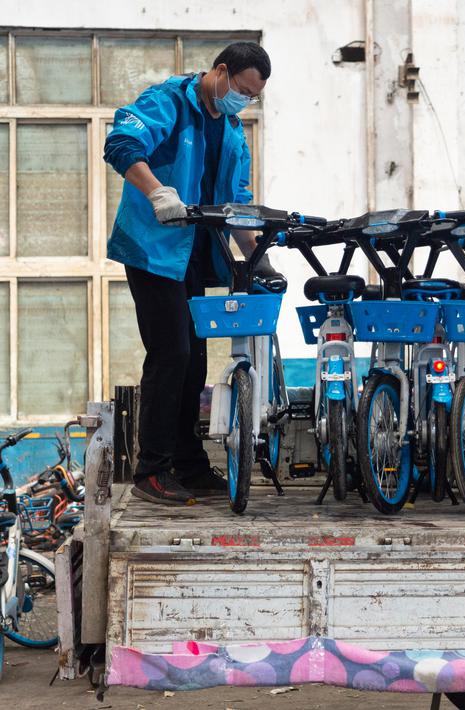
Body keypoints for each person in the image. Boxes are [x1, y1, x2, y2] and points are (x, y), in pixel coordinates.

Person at [103, 42, 282, 505]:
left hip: (197, 254)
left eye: (252, 96)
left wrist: (258, 257)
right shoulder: (168, 102)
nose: (242, 100)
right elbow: (121, 143)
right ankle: (152, 471)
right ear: (220, 72)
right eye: (240, 89)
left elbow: (237, 202)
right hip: (154, 250)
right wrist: (158, 192)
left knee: (195, 360)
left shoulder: (233, 130)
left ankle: (190, 464)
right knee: (171, 354)